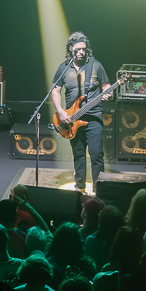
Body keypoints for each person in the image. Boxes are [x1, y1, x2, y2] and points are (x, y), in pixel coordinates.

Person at [49, 31, 114, 191]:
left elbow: (106, 86)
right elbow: (55, 90)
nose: (81, 52)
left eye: (84, 49)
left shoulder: (96, 65)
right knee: (78, 154)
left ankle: (100, 189)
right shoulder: (63, 68)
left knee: (96, 155)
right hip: (71, 118)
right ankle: (79, 188)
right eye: (77, 49)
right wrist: (60, 111)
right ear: (70, 49)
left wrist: (109, 94)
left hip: (94, 117)